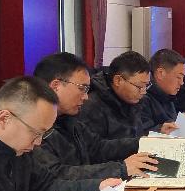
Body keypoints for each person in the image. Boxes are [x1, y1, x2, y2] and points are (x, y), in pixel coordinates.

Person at [31, 52, 158, 180]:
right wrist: (120, 169)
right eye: (82, 88)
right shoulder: (33, 126)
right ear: (56, 86)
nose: (86, 97)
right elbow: (57, 175)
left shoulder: (68, 119)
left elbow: (97, 148)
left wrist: (143, 142)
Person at [78, 51, 150, 140]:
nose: (144, 91)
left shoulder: (133, 100)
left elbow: (136, 135)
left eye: (146, 85)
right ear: (118, 80)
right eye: (140, 86)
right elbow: (95, 147)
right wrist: (136, 144)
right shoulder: (91, 106)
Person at [140, 49, 185, 134]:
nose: (182, 83)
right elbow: (142, 133)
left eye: (183, 78)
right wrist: (177, 124)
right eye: (178, 77)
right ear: (160, 73)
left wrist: (181, 120)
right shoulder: (142, 97)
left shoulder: (168, 96)